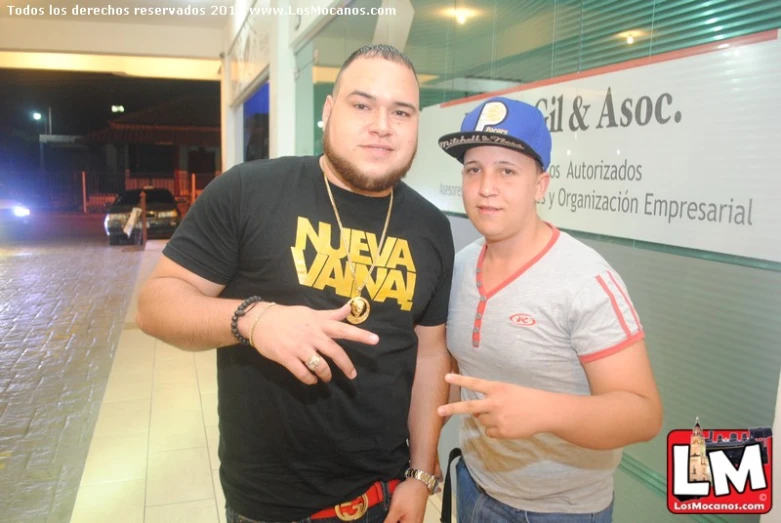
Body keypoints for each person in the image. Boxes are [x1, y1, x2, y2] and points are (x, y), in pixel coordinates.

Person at [136, 45, 454, 523]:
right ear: (328, 112)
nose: (382, 125)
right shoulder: (248, 191)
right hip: (269, 509)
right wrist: (253, 318)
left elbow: (430, 354)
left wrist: (421, 474)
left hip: (384, 500)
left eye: (400, 111)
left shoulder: (431, 227)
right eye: (362, 105)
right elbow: (155, 304)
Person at [435, 97, 663, 522]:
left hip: (560, 511)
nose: (487, 187)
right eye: (473, 169)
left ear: (540, 185)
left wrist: (545, 411)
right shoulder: (461, 266)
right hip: (473, 484)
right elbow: (452, 374)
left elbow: (643, 413)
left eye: (507, 170)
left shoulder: (586, 281)